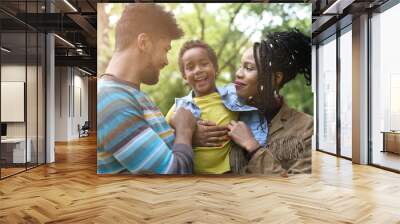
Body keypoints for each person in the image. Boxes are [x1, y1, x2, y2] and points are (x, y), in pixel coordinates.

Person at [97, 4, 197, 175]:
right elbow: (173, 175)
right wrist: (184, 130)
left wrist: (189, 136)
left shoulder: (133, 95)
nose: (166, 61)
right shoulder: (111, 100)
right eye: (165, 49)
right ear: (143, 43)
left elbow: (162, 151)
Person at [165, 40, 267, 174]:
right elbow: (163, 142)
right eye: (190, 67)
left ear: (215, 68)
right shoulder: (178, 109)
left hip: (229, 175)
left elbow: (257, 89)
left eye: (204, 64)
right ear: (184, 76)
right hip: (192, 178)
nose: (198, 70)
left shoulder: (235, 96)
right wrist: (189, 135)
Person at [227, 30, 313, 175]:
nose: (239, 73)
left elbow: (300, 186)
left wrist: (253, 147)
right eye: (240, 66)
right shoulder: (228, 113)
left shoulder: (305, 126)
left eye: (249, 68)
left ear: (276, 78)